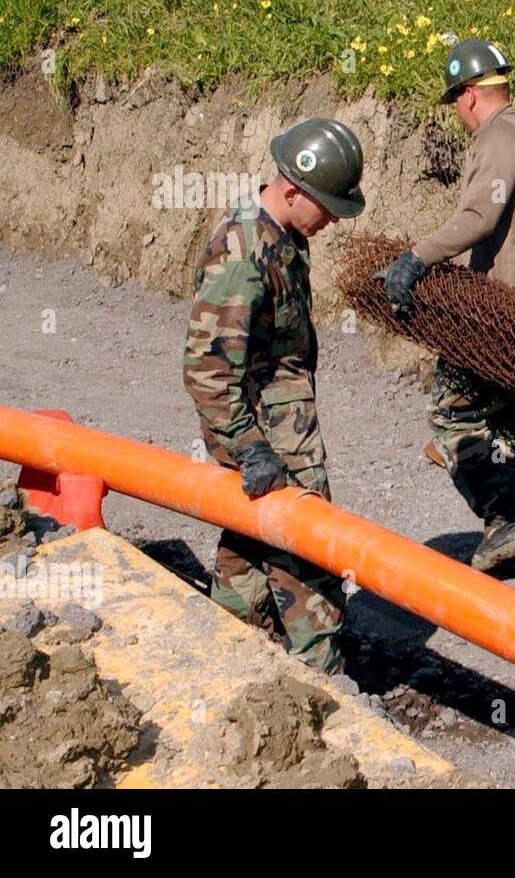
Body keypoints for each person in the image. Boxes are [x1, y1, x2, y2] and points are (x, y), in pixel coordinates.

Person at [183, 117, 365, 674]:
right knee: (307, 547)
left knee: (250, 539)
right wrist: (249, 447)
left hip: (277, 417)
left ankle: (230, 653)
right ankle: (325, 681)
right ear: (292, 190)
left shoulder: (281, 233)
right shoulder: (243, 254)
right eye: (328, 208)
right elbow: (207, 368)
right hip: (263, 428)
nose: (332, 221)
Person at [373, 39, 515, 579]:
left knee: (450, 415)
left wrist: (417, 257)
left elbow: (479, 215)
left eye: (455, 99)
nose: (455, 112)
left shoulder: (498, 139)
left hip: (497, 317)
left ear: (471, 94)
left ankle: (505, 522)